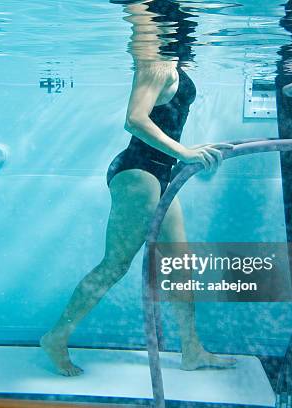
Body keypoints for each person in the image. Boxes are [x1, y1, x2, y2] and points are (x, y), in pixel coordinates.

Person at [40, 0, 237, 376]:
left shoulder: (168, 61)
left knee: (181, 265)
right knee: (115, 265)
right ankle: (55, 337)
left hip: (162, 171)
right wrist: (186, 152)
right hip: (139, 171)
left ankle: (192, 349)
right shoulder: (156, 61)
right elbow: (134, 119)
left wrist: (181, 157)